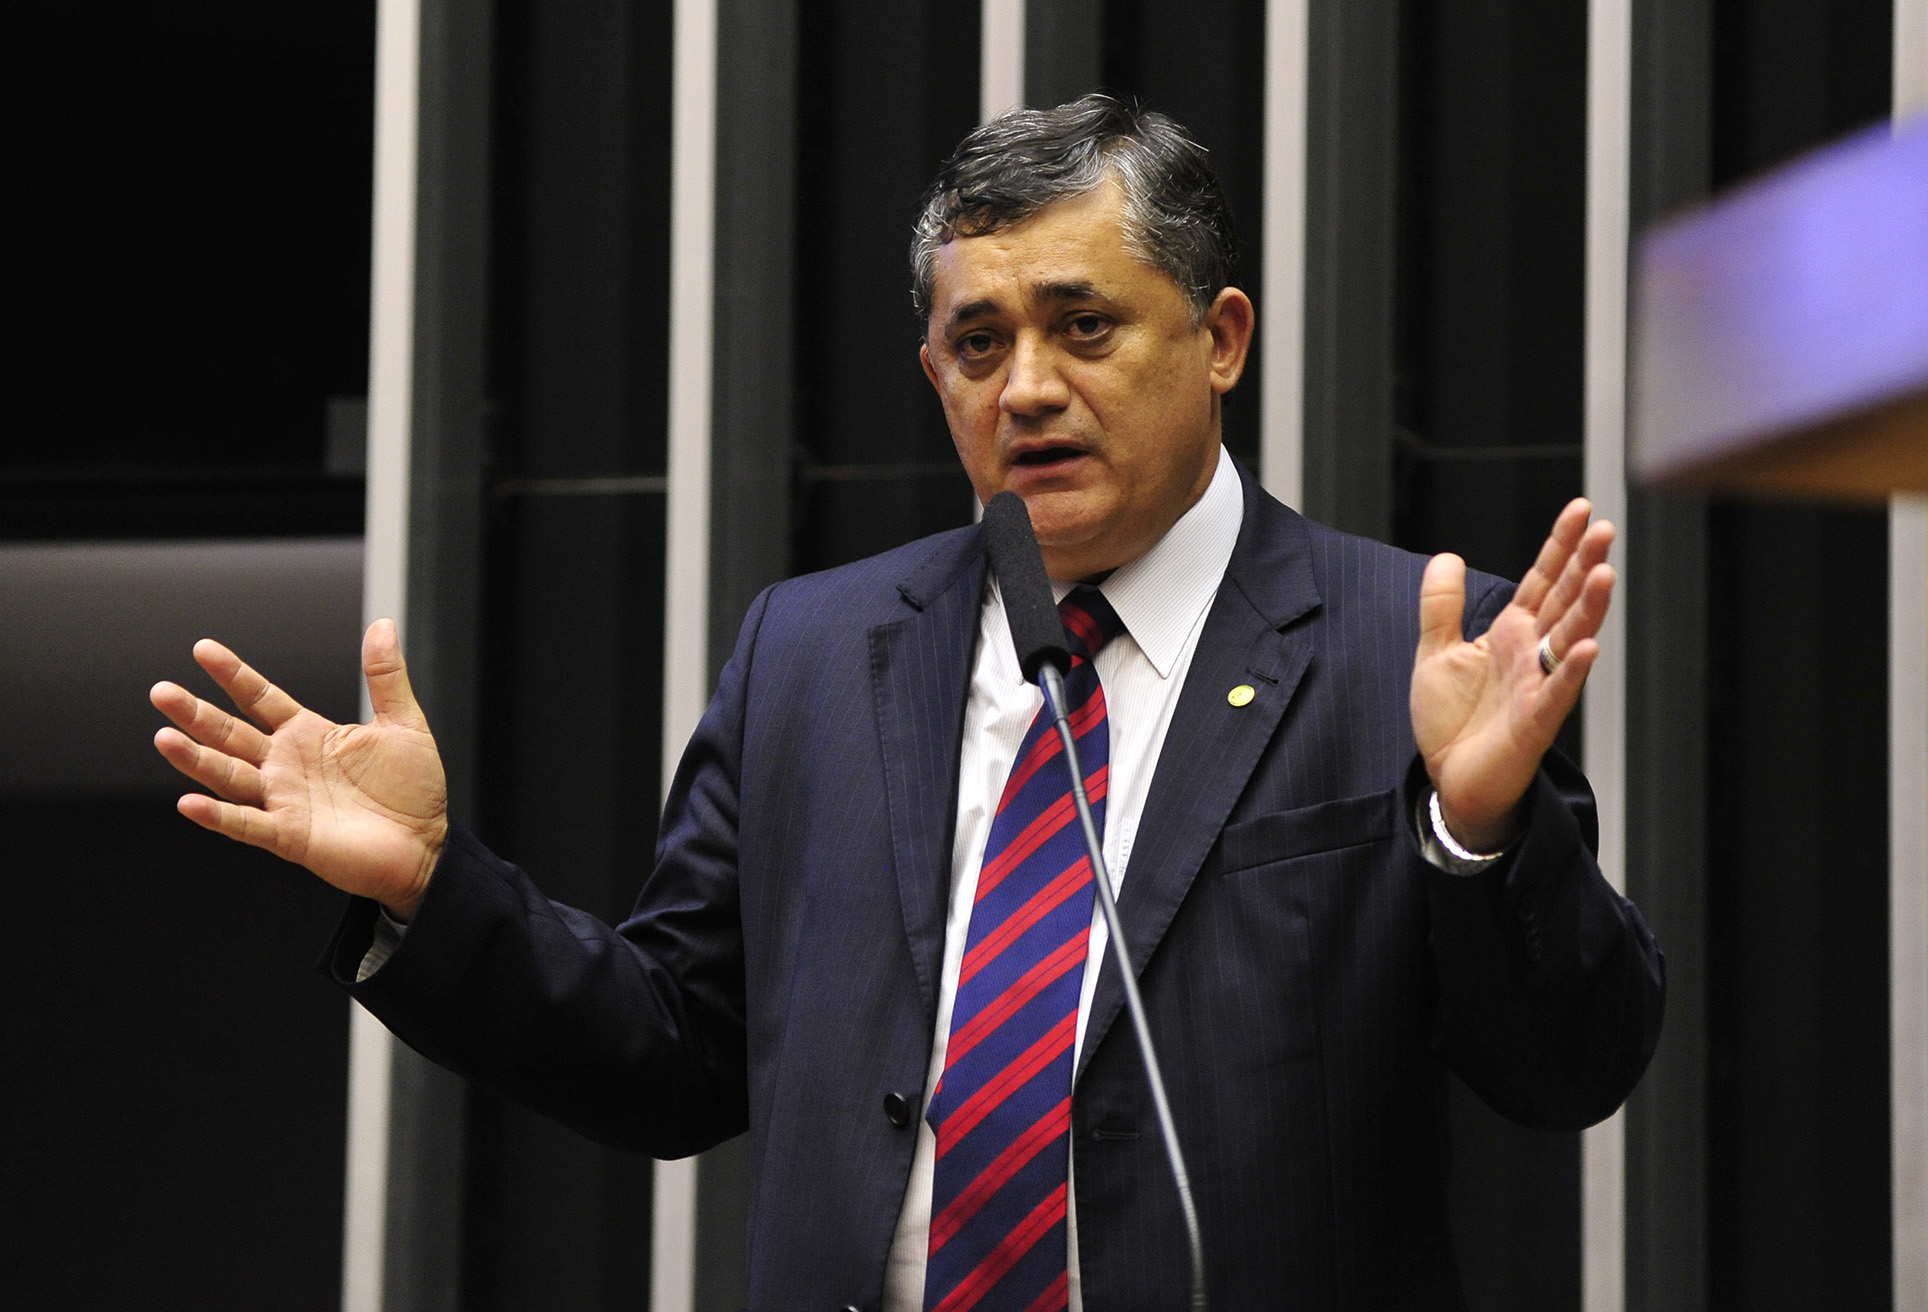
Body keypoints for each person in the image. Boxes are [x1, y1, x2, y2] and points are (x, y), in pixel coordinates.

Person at [151, 96, 1662, 1311]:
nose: (1026, 388)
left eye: (1084, 326)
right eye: (978, 343)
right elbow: (676, 1053)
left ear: (1221, 340)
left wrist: (1477, 831)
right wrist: (433, 888)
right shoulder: (815, 652)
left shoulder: (1403, 645)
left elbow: (1571, 1069)